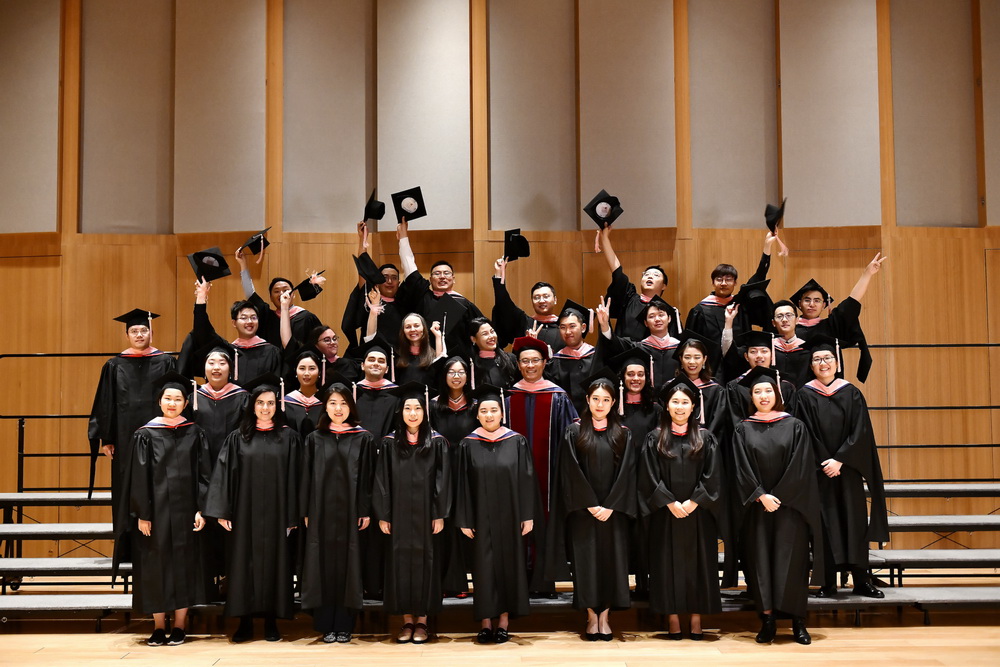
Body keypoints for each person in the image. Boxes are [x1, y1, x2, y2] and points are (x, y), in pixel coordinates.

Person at [113, 371, 210, 647]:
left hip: (186, 514)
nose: (172, 403)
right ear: (159, 401)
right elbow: (138, 478)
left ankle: (180, 625)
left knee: (183, 566)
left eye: (178, 399)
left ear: (185, 403)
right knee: (156, 567)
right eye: (168, 398)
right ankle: (157, 626)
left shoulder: (195, 433)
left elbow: (205, 475)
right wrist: (142, 513)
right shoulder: (145, 434)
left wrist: (202, 509)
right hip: (155, 515)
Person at [204, 374, 302, 643]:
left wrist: (292, 515)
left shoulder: (289, 438)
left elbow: (297, 479)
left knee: (275, 567)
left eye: (270, 403)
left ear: (277, 405)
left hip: (277, 515)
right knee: (242, 567)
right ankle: (245, 622)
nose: (266, 408)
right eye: (260, 402)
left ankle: (271, 621)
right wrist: (222, 510)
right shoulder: (238, 438)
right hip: (244, 515)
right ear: (252, 405)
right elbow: (223, 474)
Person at [732, 366, 824, 645]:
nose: (763, 395)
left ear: (777, 394)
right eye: (757, 391)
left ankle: (798, 621)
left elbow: (801, 466)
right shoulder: (743, 428)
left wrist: (778, 496)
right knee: (761, 564)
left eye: (768, 390)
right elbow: (740, 468)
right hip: (757, 509)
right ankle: (768, 620)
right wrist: (760, 495)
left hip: (790, 509)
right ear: (751, 395)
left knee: (793, 565)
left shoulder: (794, 426)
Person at [793, 336, 888, 599]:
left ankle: (861, 580)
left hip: (848, 472)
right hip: (819, 473)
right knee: (825, 526)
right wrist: (826, 461)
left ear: (836, 363)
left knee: (854, 524)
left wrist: (840, 460)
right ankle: (828, 583)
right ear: (811, 366)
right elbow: (805, 433)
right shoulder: (804, 395)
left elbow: (861, 432)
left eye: (827, 359)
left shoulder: (852, 392)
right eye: (817, 360)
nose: (822, 363)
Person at [547, 372, 637, 641]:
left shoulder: (623, 433)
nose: (600, 404)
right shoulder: (574, 431)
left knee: (612, 562)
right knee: (585, 563)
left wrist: (611, 505)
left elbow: (628, 472)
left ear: (613, 403)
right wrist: (589, 504)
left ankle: (605, 616)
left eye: (606, 400)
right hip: (583, 513)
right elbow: (569, 471)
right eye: (595, 399)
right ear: (587, 400)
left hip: (614, 512)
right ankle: (590, 615)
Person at [639, 377, 723, 640]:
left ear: (693, 406)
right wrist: (670, 502)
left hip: (698, 515)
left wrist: (694, 501)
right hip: (666, 515)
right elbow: (648, 476)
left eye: (685, 402)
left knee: (700, 565)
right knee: (665, 566)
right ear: (666, 406)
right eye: (675, 401)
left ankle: (696, 619)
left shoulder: (706, 438)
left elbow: (713, 476)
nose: (679, 406)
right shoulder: (655, 438)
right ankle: (673, 619)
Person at [456, 384, 537, 644]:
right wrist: (465, 519)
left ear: (502, 413)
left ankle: (503, 621)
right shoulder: (468, 444)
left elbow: (527, 480)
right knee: (483, 569)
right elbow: (462, 486)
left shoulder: (516, 441)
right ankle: (485, 622)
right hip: (480, 518)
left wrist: (527, 514)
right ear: (477, 415)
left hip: (511, 516)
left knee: (508, 567)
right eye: (484, 411)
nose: (489, 415)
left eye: (494, 410)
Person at [373, 381, 452, 644]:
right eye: (407, 408)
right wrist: (384, 514)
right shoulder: (389, 444)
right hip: (398, 516)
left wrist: (439, 513)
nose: (413, 413)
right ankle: (406, 621)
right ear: (400, 412)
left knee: (426, 564)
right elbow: (382, 481)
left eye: (418, 408)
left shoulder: (437, 442)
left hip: (427, 517)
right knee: (400, 564)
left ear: (425, 412)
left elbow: (443, 480)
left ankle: (423, 622)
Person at [299, 382, 375, 643]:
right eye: (332, 403)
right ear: (325, 407)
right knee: (321, 564)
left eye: (343, 403)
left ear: (350, 407)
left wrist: (364, 509)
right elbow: (305, 478)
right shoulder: (314, 439)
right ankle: (325, 624)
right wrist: (307, 510)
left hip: (350, 513)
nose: (338, 408)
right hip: (320, 512)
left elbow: (367, 478)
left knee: (348, 566)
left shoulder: (362, 437)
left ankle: (345, 623)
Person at [506, 336, 579, 595]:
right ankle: (519, 580)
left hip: (549, 475)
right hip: (514, 477)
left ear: (545, 362)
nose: (530, 366)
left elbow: (571, 438)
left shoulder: (557, 397)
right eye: (524, 361)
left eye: (535, 361)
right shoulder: (509, 397)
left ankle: (543, 581)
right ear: (518, 364)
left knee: (546, 522)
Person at [88, 308, 177, 511]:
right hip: (123, 437)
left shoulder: (166, 362)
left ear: (151, 334)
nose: (139, 335)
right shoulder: (114, 365)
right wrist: (107, 439)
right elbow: (105, 403)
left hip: (160, 437)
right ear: (126, 335)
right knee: (125, 487)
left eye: (143, 330)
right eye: (134, 331)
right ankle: (126, 537)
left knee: (159, 483)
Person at [189, 342, 247, 584]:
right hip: (199, 468)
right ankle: (206, 581)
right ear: (204, 368)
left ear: (230, 369)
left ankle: (230, 581)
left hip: (233, 470)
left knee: (230, 523)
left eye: (222, 363)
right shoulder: (193, 397)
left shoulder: (242, 397)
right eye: (211, 363)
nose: (216, 367)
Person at [606, 349, 661, 599]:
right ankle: (619, 584)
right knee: (623, 532)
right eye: (631, 374)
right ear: (623, 377)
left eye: (640, 374)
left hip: (647, 478)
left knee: (646, 533)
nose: (636, 378)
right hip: (619, 479)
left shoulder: (656, 409)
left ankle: (645, 583)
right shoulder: (612, 409)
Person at [684, 233, 778, 374]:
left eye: (728, 279)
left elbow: (759, 276)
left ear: (735, 283)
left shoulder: (740, 304)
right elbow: (691, 343)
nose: (723, 283)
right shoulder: (700, 310)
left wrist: (767, 247)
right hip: (712, 368)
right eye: (719, 279)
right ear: (712, 282)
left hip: (741, 364)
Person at [789, 252, 888, 383]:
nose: (812, 304)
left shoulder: (831, 325)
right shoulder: (789, 329)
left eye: (817, 300)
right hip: (796, 388)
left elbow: (852, 302)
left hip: (828, 387)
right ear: (799, 304)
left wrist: (867, 274)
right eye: (807, 300)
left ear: (824, 304)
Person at [396, 219, 484, 359]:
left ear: (453, 279)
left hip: (457, 364)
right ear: (430, 280)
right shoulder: (423, 298)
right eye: (437, 274)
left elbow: (482, 331)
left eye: (446, 273)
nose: (442, 277)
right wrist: (403, 238)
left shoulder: (463, 304)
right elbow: (409, 268)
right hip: (426, 360)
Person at [430, 356, 477, 598]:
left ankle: (462, 580)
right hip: (442, 469)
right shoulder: (434, 406)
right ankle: (444, 580)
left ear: (468, 376)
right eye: (451, 372)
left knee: (465, 522)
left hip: (470, 470)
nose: (456, 376)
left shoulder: (477, 406)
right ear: (445, 376)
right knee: (444, 523)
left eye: (461, 372)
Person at [185, 278, 282, 385]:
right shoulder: (229, 351)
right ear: (234, 323)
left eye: (254, 318)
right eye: (244, 318)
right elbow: (203, 331)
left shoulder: (271, 352)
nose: (249, 321)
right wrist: (201, 296)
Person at [597, 225, 680, 340]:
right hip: (624, 354)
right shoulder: (629, 298)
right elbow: (617, 271)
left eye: (656, 275)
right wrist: (605, 239)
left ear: (664, 286)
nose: (650, 276)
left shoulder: (668, 311)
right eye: (646, 274)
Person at [234, 247, 322, 347]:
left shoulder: (307, 318)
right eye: (276, 291)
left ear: (293, 294)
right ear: (271, 297)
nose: (281, 293)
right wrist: (243, 265)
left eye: (285, 290)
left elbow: (319, 345)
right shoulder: (267, 317)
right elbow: (250, 294)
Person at [597, 295, 681, 390]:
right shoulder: (639, 347)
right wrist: (605, 325)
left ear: (669, 319)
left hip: (675, 401)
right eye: (651, 316)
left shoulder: (680, 348)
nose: (657, 319)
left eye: (661, 315)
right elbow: (614, 343)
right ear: (645, 323)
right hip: (647, 401)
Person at [342, 221, 404, 348]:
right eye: (385, 277)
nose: (389, 281)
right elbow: (364, 269)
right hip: (373, 356)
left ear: (399, 282)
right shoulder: (369, 302)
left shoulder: (404, 304)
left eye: (394, 278)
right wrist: (362, 239)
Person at [366, 289, 445, 387]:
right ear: (403, 332)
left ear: (424, 329)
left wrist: (438, 336)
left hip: (426, 400)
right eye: (408, 327)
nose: (412, 329)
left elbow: (440, 365)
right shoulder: (396, 355)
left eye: (416, 326)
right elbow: (370, 338)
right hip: (403, 401)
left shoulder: (432, 355)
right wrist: (374, 310)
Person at [491, 258, 563, 351]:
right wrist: (499, 275)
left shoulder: (563, 326)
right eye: (536, 297)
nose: (541, 301)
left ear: (555, 300)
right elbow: (504, 304)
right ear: (532, 301)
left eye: (546, 296)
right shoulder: (523, 323)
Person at [546, 300, 603, 413]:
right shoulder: (554, 362)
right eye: (563, 327)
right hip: (565, 419)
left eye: (572, 326)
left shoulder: (596, 357)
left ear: (583, 327)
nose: (567, 332)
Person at [673, 333, 729, 440]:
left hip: (706, 445)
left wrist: (705, 441)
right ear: (681, 359)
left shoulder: (716, 390)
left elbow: (718, 422)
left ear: (704, 359)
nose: (692, 362)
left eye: (697, 357)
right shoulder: (671, 388)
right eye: (687, 357)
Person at [769, 300, 811, 389]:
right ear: (773, 323)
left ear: (797, 320)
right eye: (779, 316)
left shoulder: (807, 349)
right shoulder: (768, 349)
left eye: (789, 315)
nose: (784, 320)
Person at [468, 317, 519, 389]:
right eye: (485, 334)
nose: (491, 336)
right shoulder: (471, 366)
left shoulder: (510, 359)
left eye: (492, 332)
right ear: (474, 339)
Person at [283, 350, 324, 436]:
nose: (306, 373)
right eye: (302, 368)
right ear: (296, 372)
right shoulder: (286, 403)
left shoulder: (326, 402)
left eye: (312, 368)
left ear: (319, 372)